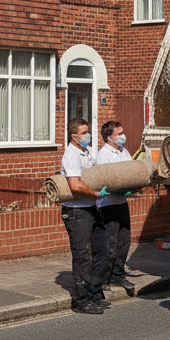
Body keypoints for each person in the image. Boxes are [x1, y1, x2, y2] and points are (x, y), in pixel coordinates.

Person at [60, 118, 110, 314]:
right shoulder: (70, 155)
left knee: (103, 250)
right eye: (84, 133)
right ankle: (81, 300)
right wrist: (97, 194)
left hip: (92, 208)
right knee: (83, 256)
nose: (88, 136)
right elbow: (75, 185)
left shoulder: (87, 151)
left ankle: (95, 292)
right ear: (74, 136)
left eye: (88, 132)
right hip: (76, 211)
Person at [93, 121, 136, 296]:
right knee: (110, 244)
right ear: (109, 137)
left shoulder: (124, 151)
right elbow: (108, 179)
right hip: (108, 205)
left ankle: (118, 274)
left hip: (121, 203)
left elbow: (131, 172)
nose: (122, 136)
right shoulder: (103, 155)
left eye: (122, 132)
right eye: (118, 134)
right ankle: (104, 278)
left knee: (124, 241)